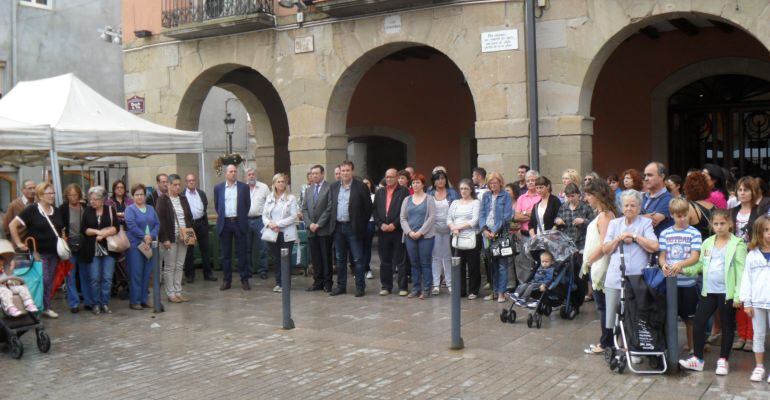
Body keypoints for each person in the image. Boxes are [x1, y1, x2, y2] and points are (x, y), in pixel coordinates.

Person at [676, 209, 746, 376]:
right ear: (712, 225)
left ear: (730, 224)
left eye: (723, 223)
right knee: (699, 322)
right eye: (716, 224)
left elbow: (741, 271)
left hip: (727, 293)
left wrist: (738, 295)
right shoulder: (707, 242)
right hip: (709, 291)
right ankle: (698, 360)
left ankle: (723, 360)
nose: (719, 227)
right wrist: (685, 270)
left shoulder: (738, 244)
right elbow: (700, 265)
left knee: (728, 325)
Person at [601, 190, 659, 333]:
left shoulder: (645, 223)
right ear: (621, 207)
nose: (629, 209)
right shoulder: (614, 223)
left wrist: (634, 236)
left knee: (634, 317)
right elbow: (605, 249)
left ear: (639, 207)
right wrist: (619, 239)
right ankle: (612, 345)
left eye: (633, 205)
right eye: (626, 205)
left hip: (636, 279)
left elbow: (654, 246)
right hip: (615, 277)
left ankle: (631, 348)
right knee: (611, 318)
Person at [8, 182, 63, 318]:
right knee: (42, 280)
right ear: (40, 195)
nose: (52, 196)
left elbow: (61, 229)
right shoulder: (32, 210)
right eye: (48, 193)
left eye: (53, 193)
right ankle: (35, 306)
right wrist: (19, 243)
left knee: (49, 280)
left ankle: (46, 307)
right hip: (38, 253)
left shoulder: (56, 210)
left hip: (54, 253)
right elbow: (12, 225)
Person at [659, 197, 703, 354]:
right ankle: (669, 346)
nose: (682, 218)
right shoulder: (665, 233)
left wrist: (680, 265)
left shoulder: (694, 233)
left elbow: (695, 256)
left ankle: (692, 346)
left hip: (688, 282)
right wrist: (663, 264)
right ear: (672, 215)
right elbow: (662, 255)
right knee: (669, 316)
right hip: (671, 282)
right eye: (679, 216)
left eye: (685, 215)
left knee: (689, 317)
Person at [581, 179, 616, 355]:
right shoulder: (604, 214)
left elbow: (605, 245)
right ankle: (607, 341)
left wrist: (588, 260)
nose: (586, 198)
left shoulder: (605, 216)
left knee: (604, 307)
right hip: (598, 265)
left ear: (597, 195)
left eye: (588, 195)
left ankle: (606, 343)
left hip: (602, 266)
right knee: (603, 307)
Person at [329, 161, 373, 297]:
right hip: (338, 227)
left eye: (347, 170)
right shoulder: (334, 187)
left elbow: (368, 208)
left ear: (352, 171)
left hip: (353, 228)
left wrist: (360, 222)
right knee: (340, 258)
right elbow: (331, 206)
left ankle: (360, 287)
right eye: (343, 171)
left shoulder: (361, 187)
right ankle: (341, 286)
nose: (345, 173)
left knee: (358, 259)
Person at [731, 176, 762, 352]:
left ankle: (752, 337)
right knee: (739, 298)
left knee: (752, 297)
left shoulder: (759, 212)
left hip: (753, 257)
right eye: (740, 190)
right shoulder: (733, 212)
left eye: (746, 190)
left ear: (753, 192)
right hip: (735, 259)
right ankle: (741, 335)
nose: (742, 193)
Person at [81, 186, 120, 315]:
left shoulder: (110, 210)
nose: (92, 202)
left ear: (103, 200)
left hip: (108, 248)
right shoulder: (87, 211)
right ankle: (95, 304)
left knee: (107, 278)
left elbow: (116, 228)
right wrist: (98, 232)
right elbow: (85, 229)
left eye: (95, 199)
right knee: (94, 278)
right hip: (92, 249)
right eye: (90, 199)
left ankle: (105, 303)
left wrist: (103, 235)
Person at [741, 215, 770, 382]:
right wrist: (747, 302)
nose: (769, 233)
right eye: (766, 230)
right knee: (758, 335)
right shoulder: (752, 255)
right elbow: (747, 279)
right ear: (758, 233)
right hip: (757, 302)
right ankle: (759, 367)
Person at [157, 174, 194, 303]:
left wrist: (189, 234)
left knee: (179, 265)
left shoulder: (183, 199)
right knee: (170, 266)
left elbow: (188, 216)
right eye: (175, 185)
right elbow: (160, 220)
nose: (178, 187)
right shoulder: (163, 199)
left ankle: (178, 291)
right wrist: (164, 238)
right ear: (169, 185)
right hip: (170, 237)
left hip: (183, 236)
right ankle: (171, 293)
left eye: (179, 185)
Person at [214, 164, 251, 291]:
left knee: (242, 253)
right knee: (226, 254)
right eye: (231, 171)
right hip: (225, 223)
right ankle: (226, 280)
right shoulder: (218, 188)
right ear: (226, 173)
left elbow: (247, 205)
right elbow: (217, 205)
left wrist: (240, 216)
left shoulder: (244, 187)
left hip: (239, 222)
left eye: (235, 171)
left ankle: (244, 279)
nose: (233, 173)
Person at [374, 168, 410, 296]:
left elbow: (404, 211)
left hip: (397, 230)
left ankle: (402, 287)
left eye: (391, 177)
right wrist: (381, 224)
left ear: (396, 177)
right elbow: (375, 211)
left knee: (400, 260)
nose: (389, 179)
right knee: (385, 260)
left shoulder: (403, 191)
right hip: (383, 231)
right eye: (387, 177)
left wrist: (394, 224)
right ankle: (386, 286)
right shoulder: (380, 192)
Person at [400, 172, 436, 299]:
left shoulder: (429, 199)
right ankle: (416, 288)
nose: (415, 185)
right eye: (413, 182)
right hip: (410, 236)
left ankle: (426, 289)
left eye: (417, 182)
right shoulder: (407, 200)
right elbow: (403, 218)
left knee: (425, 262)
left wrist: (421, 232)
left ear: (422, 185)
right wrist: (409, 232)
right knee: (414, 263)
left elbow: (432, 218)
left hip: (425, 237)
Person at [124, 184, 160, 310]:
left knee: (147, 273)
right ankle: (135, 301)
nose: (139, 197)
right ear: (133, 196)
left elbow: (157, 224)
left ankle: (144, 299)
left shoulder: (150, 208)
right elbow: (131, 225)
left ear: (145, 196)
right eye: (137, 194)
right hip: (135, 246)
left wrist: (151, 236)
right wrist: (144, 236)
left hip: (149, 245)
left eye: (142, 194)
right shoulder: (130, 209)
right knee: (136, 273)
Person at [480, 172, 513, 303]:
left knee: (502, 265)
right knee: (491, 264)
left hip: (501, 234)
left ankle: (501, 292)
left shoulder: (506, 196)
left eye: (495, 182)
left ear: (500, 182)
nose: (493, 185)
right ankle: (493, 292)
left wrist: (495, 231)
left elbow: (506, 216)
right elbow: (482, 213)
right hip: (487, 234)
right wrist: (484, 229)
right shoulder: (486, 195)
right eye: (490, 183)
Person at [262, 173, 298, 293]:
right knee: (277, 259)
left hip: (286, 233)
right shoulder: (269, 198)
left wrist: (278, 224)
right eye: (278, 182)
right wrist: (270, 224)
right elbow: (264, 215)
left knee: (285, 259)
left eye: (283, 181)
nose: (281, 184)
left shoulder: (291, 198)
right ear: (274, 184)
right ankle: (278, 282)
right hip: (273, 232)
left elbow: (293, 216)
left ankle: (286, 284)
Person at [59, 183, 92, 313]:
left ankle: (88, 301)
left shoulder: (85, 207)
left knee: (85, 274)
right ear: (66, 196)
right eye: (70, 195)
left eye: (75, 195)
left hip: (84, 244)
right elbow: (59, 226)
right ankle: (74, 303)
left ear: (79, 195)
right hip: (69, 245)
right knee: (70, 275)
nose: (73, 197)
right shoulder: (62, 209)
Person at [448, 178, 481, 299]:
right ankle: (460, 290)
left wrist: (458, 227)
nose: (463, 191)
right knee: (458, 265)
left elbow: (474, 220)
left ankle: (473, 290)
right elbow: (449, 218)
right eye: (461, 188)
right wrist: (453, 227)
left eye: (466, 188)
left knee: (473, 265)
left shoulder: (476, 203)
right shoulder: (455, 202)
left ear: (471, 189)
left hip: (471, 236)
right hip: (456, 236)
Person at [303, 165, 334, 292]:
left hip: (324, 229)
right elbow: (304, 208)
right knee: (315, 257)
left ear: (322, 174)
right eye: (312, 173)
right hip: (311, 229)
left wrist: (319, 224)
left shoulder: (329, 188)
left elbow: (330, 207)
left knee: (326, 257)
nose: (314, 175)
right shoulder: (309, 189)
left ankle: (327, 283)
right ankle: (318, 282)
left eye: (316, 173)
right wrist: (309, 223)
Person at [428, 170, 459, 295]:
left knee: (447, 256)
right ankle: (436, 284)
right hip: (434, 228)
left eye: (443, 178)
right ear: (434, 181)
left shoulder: (452, 193)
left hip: (449, 228)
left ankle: (450, 283)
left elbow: (457, 209)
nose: (440, 181)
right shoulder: (429, 193)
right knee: (435, 257)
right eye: (438, 179)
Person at [182, 173, 216, 283]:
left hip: (201, 223)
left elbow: (205, 206)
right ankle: (190, 275)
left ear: (195, 181)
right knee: (189, 250)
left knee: (205, 249)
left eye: (193, 180)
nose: (191, 182)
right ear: (186, 182)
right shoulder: (182, 195)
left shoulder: (201, 193)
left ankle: (208, 274)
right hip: (189, 225)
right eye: (189, 180)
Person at [0, 240, 39, 316]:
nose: (2, 265)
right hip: (2, 289)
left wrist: (12, 280)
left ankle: (29, 304)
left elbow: (8, 278)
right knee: (5, 292)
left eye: (2, 263)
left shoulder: (3, 270)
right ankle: (10, 308)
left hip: (7, 286)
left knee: (22, 288)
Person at [245, 168, 270, 280]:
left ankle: (263, 270)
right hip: (246, 220)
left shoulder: (264, 187)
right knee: (247, 247)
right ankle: (248, 270)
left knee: (263, 246)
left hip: (261, 220)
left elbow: (270, 203)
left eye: (253, 174)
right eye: (249, 174)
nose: (251, 176)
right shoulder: (242, 187)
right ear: (246, 176)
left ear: (256, 175)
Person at [554, 183, 593, 249]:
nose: (571, 199)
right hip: (566, 243)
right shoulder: (563, 207)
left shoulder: (585, 207)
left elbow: (593, 222)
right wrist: (557, 220)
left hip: (582, 243)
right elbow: (557, 219)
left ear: (578, 194)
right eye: (568, 196)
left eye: (572, 196)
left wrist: (583, 221)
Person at [641, 162, 673, 236]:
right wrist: (641, 217)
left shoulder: (668, 199)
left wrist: (633, 217)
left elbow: (650, 223)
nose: (645, 178)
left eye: (650, 175)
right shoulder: (642, 197)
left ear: (662, 176)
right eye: (645, 175)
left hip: (659, 246)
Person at [514, 170, 540, 237]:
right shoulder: (521, 198)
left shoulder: (541, 197)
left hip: (538, 233)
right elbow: (516, 217)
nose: (530, 182)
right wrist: (532, 215)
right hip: (524, 234)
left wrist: (523, 212)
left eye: (533, 180)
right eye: (528, 181)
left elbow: (540, 216)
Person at [361, 176, 376, 280]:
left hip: (370, 223)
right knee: (359, 247)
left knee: (367, 247)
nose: (366, 185)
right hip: (359, 224)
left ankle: (367, 269)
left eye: (368, 183)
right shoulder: (358, 195)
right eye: (364, 183)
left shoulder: (375, 196)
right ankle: (360, 269)